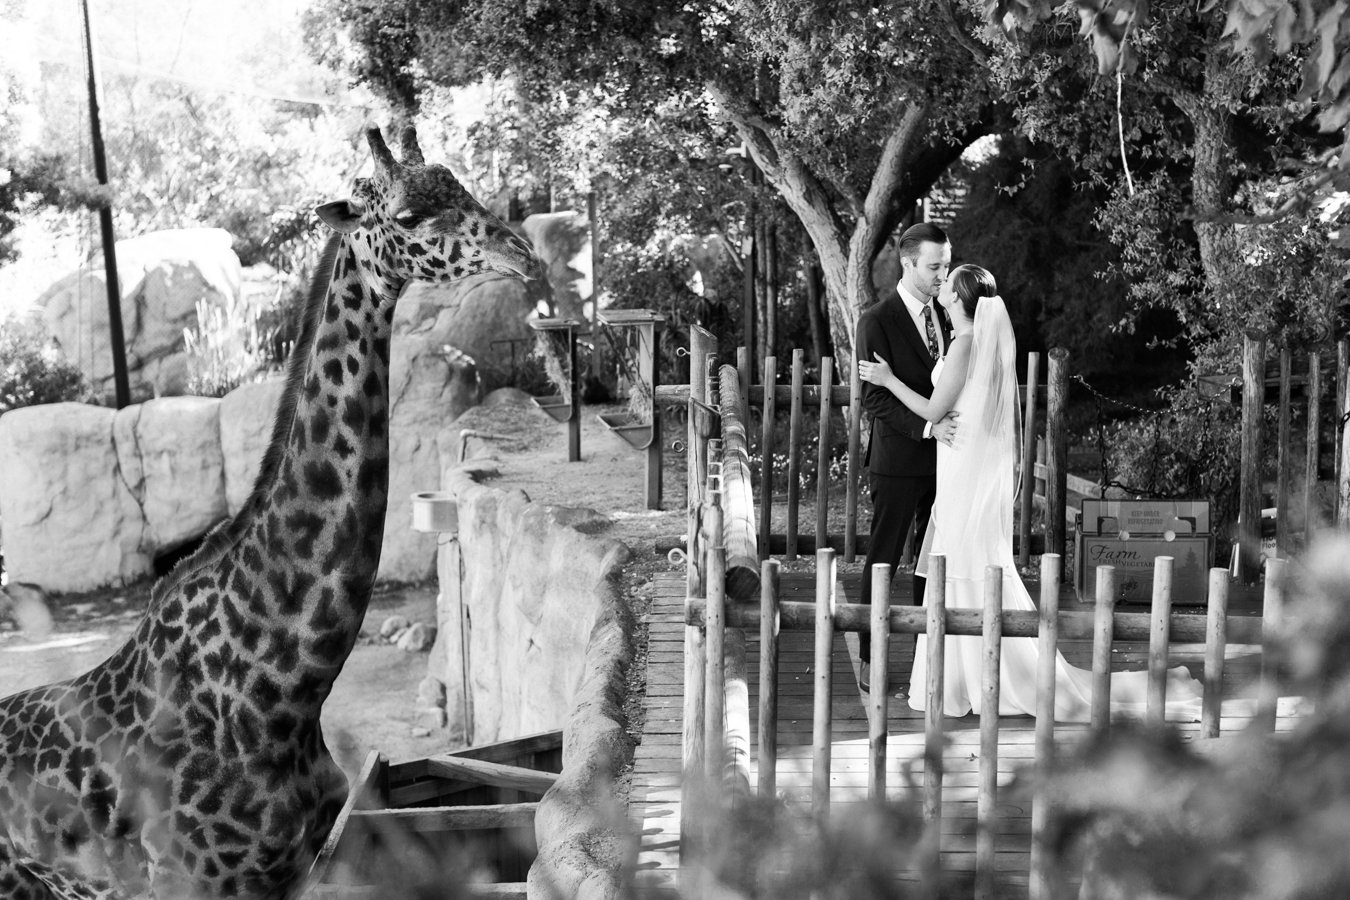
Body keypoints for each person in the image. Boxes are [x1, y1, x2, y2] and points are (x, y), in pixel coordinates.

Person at [858, 264, 1201, 721]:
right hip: (960, 462)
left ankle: (963, 680)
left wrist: (887, 380)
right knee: (965, 563)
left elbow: (934, 408)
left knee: (963, 563)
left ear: (960, 301)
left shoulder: (965, 345)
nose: (940, 283)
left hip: (959, 463)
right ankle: (963, 675)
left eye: (948, 280)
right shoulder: (965, 341)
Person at [855, 222, 959, 692]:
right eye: (935, 266)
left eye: (947, 263)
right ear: (908, 262)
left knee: (931, 558)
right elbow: (873, 399)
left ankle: (924, 655)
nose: (944, 274)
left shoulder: (950, 313)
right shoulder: (877, 319)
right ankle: (869, 656)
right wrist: (926, 427)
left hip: (947, 463)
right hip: (897, 461)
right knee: (885, 558)